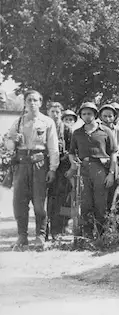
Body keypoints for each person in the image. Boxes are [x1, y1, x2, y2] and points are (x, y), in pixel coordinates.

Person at [8, 90, 59, 250]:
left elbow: (53, 147)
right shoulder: (18, 122)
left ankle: (40, 236)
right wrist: (13, 140)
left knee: (39, 202)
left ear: (40, 102)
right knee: (19, 201)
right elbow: (8, 146)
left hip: (40, 164)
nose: (32, 103)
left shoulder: (47, 122)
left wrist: (52, 168)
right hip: (21, 164)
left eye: (35, 100)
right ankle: (22, 236)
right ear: (25, 102)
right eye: (29, 100)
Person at [68, 102, 117, 238]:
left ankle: (102, 236)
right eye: (84, 114)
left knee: (100, 204)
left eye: (89, 113)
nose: (87, 116)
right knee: (85, 204)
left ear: (95, 115)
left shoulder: (105, 131)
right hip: (84, 170)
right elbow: (71, 152)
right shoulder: (77, 133)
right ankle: (87, 236)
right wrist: (74, 163)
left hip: (100, 169)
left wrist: (111, 174)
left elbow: (113, 153)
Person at [98, 103, 119, 233]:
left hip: (116, 166)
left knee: (117, 200)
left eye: (112, 115)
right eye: (105, 115)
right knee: (101, 199)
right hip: (100, 166)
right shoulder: (96, 130)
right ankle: (102, 229)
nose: (108, 118)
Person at [46, 102, 72, 239]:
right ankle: (45, 229)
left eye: (57, 112)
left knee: (62, 198)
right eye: (52, 111)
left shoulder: (67, 129)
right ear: (48, 112)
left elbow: (74, 149)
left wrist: (65, 156)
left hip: (63, 169)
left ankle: (61, 228)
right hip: (47, 167)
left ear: (61, 113)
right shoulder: (44, 127)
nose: (55, 114)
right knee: (47, 198)